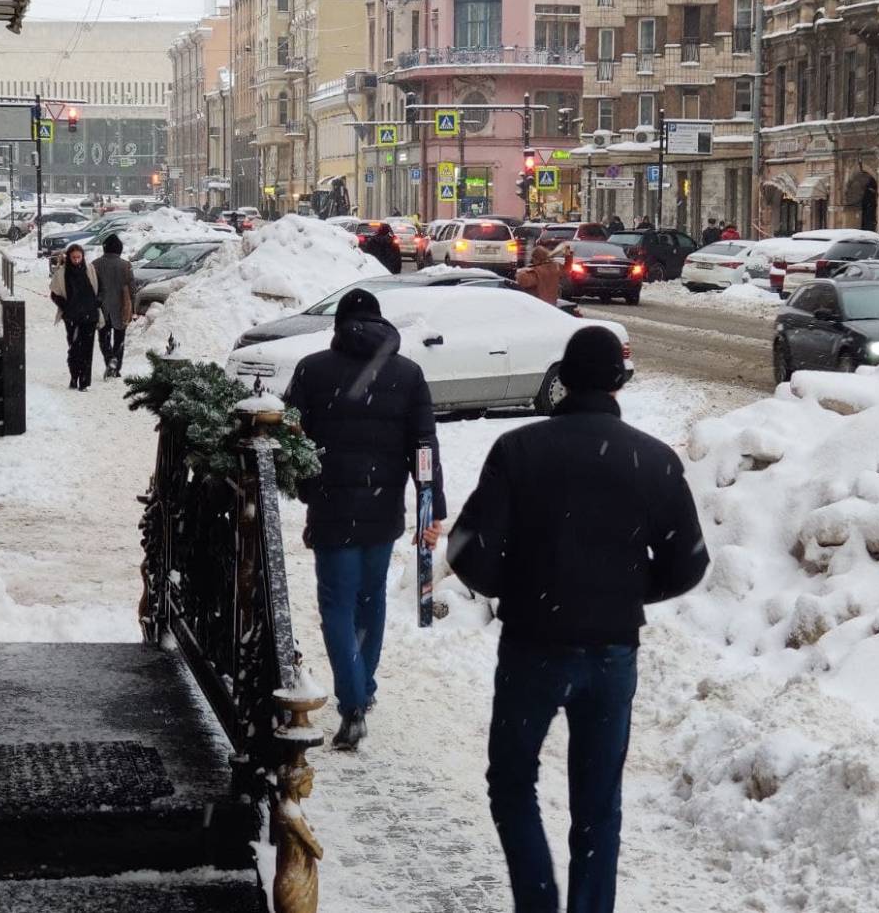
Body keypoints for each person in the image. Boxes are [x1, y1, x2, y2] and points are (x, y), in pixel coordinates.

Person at [448, 326, 709, 913]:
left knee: (512, 784)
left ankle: (537, 902)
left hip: (531, 646)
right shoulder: (654, 459)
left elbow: (468, 548)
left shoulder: (518, 450)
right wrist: (625, 591)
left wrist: (514, 587)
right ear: (619, 381)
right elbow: (689, 564)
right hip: (612, 651)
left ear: (563, 379)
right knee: (598, 804)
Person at [284, 289, 446, 751]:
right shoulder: (408, 374)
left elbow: (293, 436)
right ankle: (363, 689)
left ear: (339, 325)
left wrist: (305, 486)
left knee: (336, 605)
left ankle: (352, 704)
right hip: (383, 508)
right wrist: (429, 508)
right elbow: (424, 447)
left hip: (332, 510)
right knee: (370, 600)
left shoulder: (312, 370)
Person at [48, 243, 102, 391]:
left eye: (79, 257)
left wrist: (97, 301)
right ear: (69, 257)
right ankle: (74, 376)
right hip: (72, 316)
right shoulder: (62, 273)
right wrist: (65, 306)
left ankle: (84, 382)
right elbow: (54, 293)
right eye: (74, 257)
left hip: (89, 316)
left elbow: (99, 288)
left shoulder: (90, 269)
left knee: (87, 349)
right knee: (74, 348)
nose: (77, 260)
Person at [92, 234, 135, 379]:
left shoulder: (95, 264)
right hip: (121, 308)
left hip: (101, 308)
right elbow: (132, 289)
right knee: (119, 339)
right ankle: (116, 367)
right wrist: (132, 309)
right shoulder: (125, 265)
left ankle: (110, 359)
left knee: (103, 338)